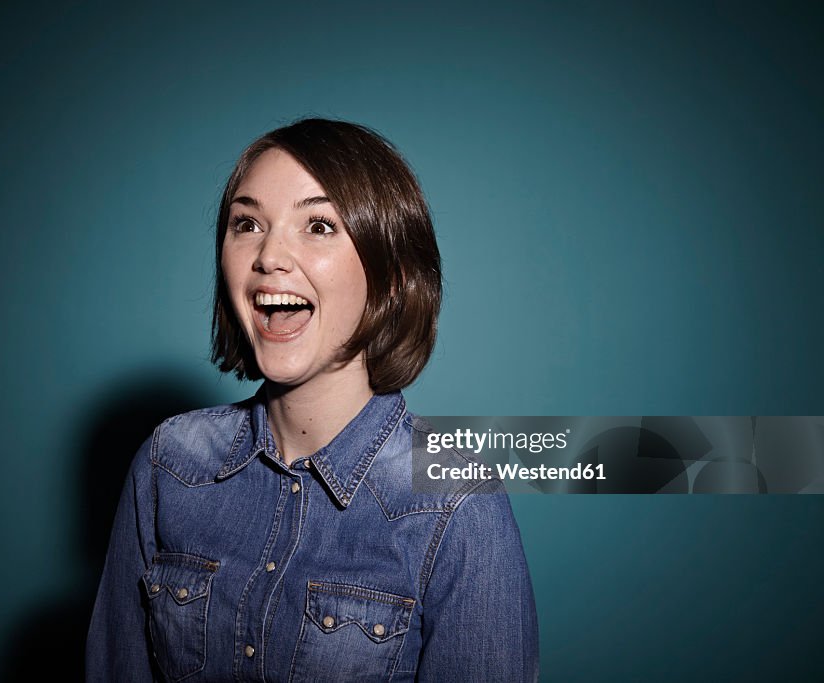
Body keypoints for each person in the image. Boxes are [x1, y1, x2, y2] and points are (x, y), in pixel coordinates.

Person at [86, 118, 539, 682]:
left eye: (319, 225)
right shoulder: (168, 464)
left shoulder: (458, 502)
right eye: (247, 223)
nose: (269, 256)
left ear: (392, 277)